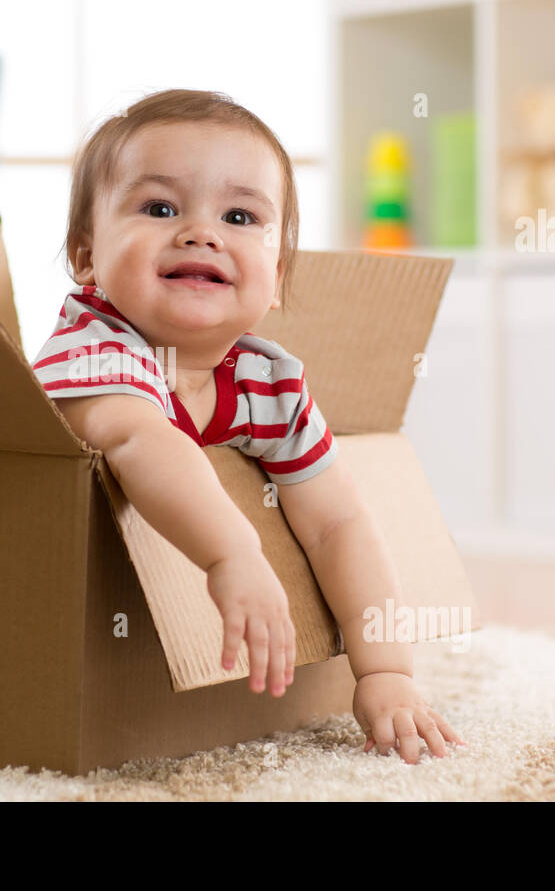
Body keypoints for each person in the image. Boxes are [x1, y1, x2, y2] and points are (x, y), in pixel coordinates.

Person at [31, 89, 465, 764]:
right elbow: (141, 440)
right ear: (86, 257)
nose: (200, 232)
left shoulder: (269, 380)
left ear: (277, 277)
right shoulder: (92, 346)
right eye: (159, 208)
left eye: (239, 215)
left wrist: (385, 670)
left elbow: (337, 522)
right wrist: (233, 554)